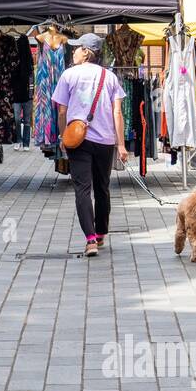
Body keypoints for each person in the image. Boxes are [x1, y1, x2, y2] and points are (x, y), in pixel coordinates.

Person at [53, 34, 129, 258]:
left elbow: (62, 111)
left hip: (79, 140)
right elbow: (118, 112)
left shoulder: (68, 75)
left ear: (86, 51)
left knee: (82, 189)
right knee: (102, 188)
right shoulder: (110, 77)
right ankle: (101, 232)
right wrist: (121, 145)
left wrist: (63, 136)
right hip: (105, 141)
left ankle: (90, 240)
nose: (73, 52)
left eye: (76, 48)